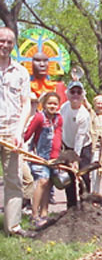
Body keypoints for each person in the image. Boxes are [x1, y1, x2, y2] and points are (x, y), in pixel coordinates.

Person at [0, 27, 33, 237]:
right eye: (1, 41)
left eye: (9, 42)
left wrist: (19, 133)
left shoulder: (21, 72)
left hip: (11, 133)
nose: (4, 45)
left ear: (14, 45)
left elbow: (26, 104)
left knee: (14, 179)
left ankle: (13, 227)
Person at [24, 92, 62, 228]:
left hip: (52, 158)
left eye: (55, 104)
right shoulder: (39, 118)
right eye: (50, 103)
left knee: (49, 183)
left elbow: (58, 137)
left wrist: (56, 158)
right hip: (39, 156)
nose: (52, 106)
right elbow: (28, 133)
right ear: (44, 104)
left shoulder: (58, 119)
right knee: (42, 181)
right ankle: (34, 215)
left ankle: (44, 213)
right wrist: (20, 142)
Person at [60, 81, 92, 208]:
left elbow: (80, 137)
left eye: (79, 92)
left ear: (83, 95)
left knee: (83, 176)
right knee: (69, 177)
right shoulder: (64, 108)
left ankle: (86, 204)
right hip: (67, 145)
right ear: (67, 94)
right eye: (72, 92)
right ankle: (71, 206)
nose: (75, 95)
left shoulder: (84, 115)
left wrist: (76, 159)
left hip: (83, 147)